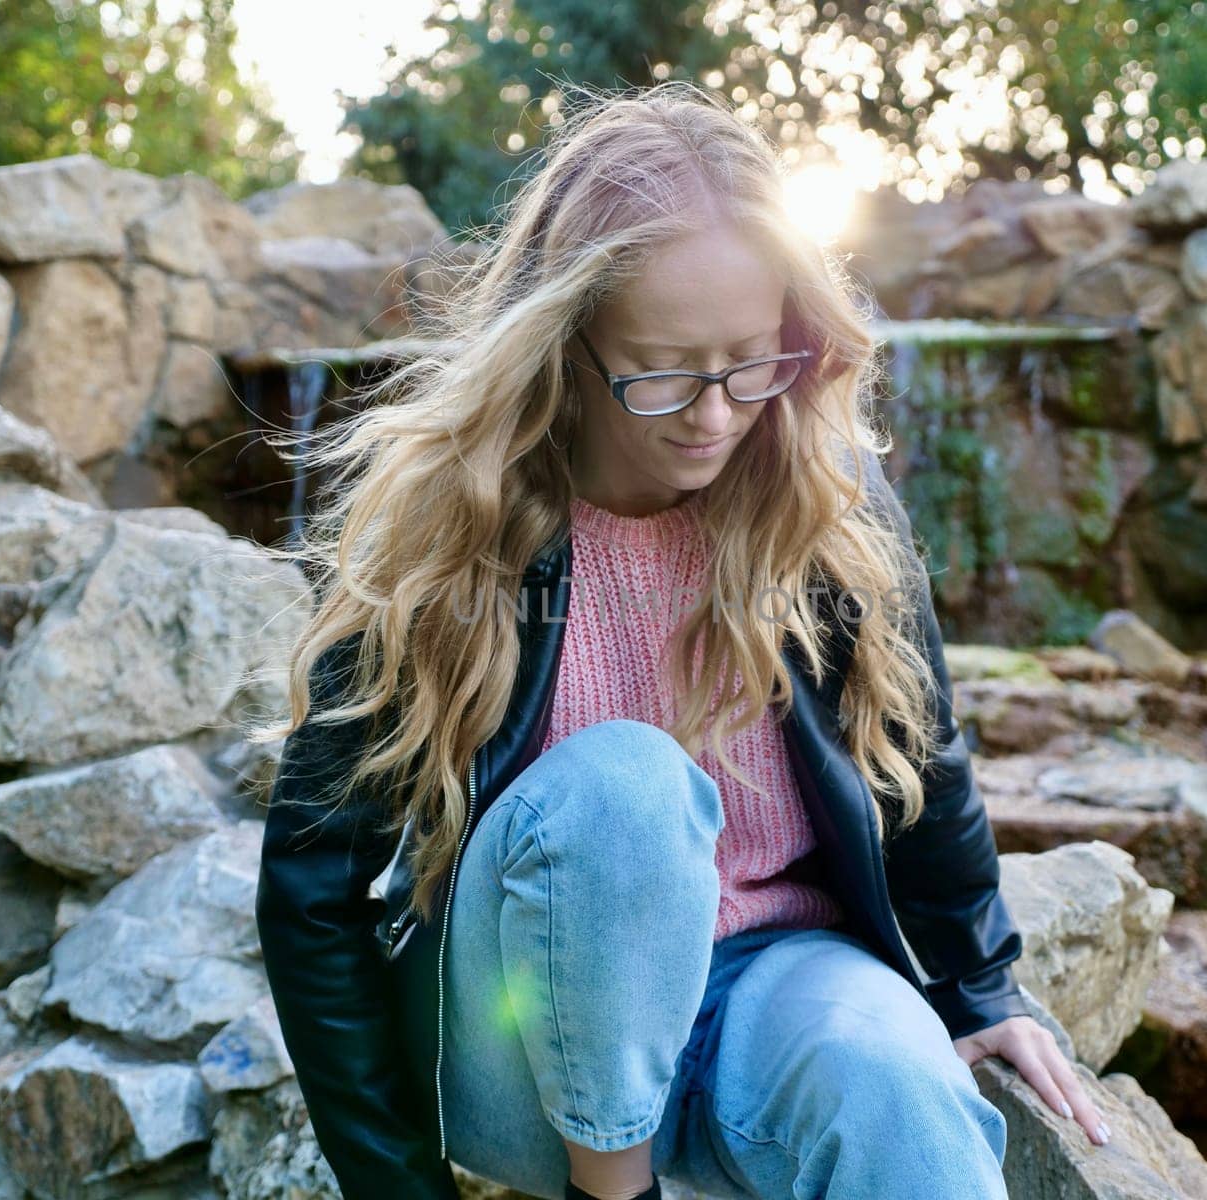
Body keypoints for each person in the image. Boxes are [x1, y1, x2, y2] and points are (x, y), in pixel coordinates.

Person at [252, 80, 1107, 1200]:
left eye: (750, 362)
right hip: (524, 1050)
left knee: (901, 1095)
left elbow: (921, 754)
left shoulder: (825, 500)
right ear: (565, 343)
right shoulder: (448, 525)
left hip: (772, 989)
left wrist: (978, 990)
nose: (714, 415)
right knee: (628, 790)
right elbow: (311, 889)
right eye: (661, 372)